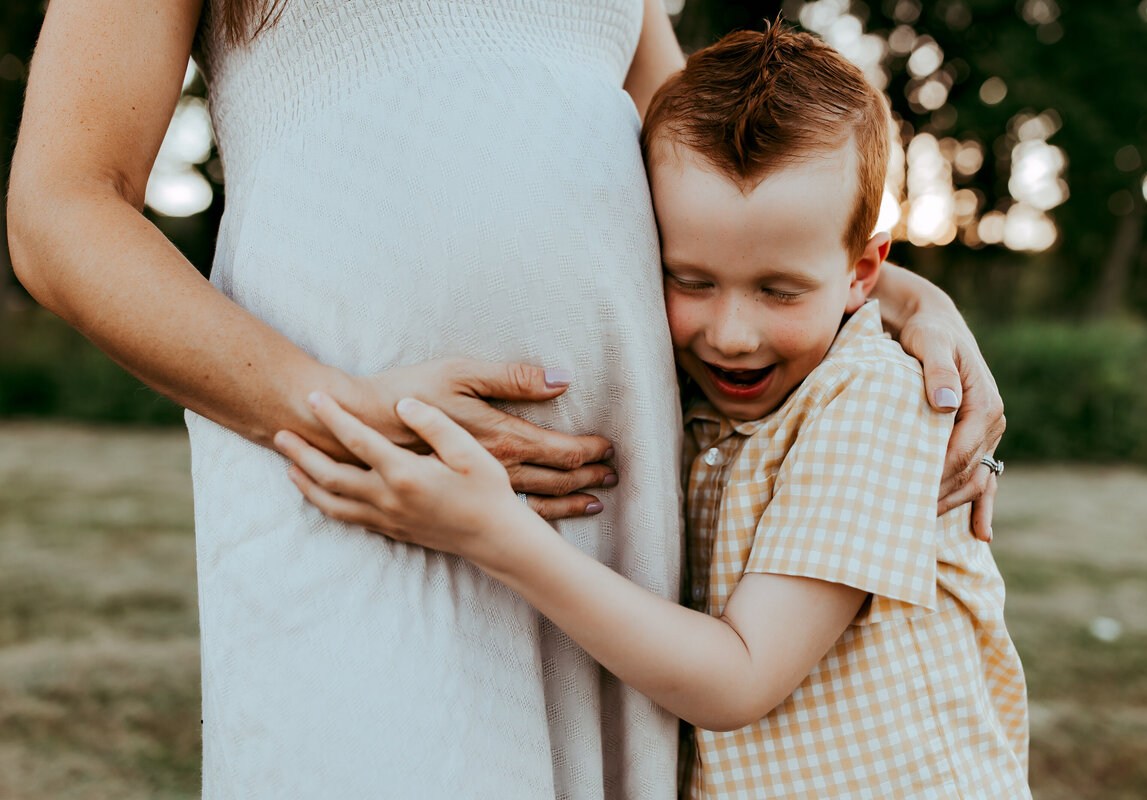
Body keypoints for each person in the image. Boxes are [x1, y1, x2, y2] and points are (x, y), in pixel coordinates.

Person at [9, 1, 1005, 797]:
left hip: (614, 524)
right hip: (370, 480)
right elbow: (60, 209)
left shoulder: (840, 346)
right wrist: (335, 410)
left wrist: (906, 301)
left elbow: (711, 162)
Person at [278, 21, 1029, 799]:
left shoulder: (868, 397)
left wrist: (492, 533)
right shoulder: (701, 389)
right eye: (690, 281)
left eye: (780, 290)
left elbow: (739, 679)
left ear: (864, 272)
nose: (731, 336)